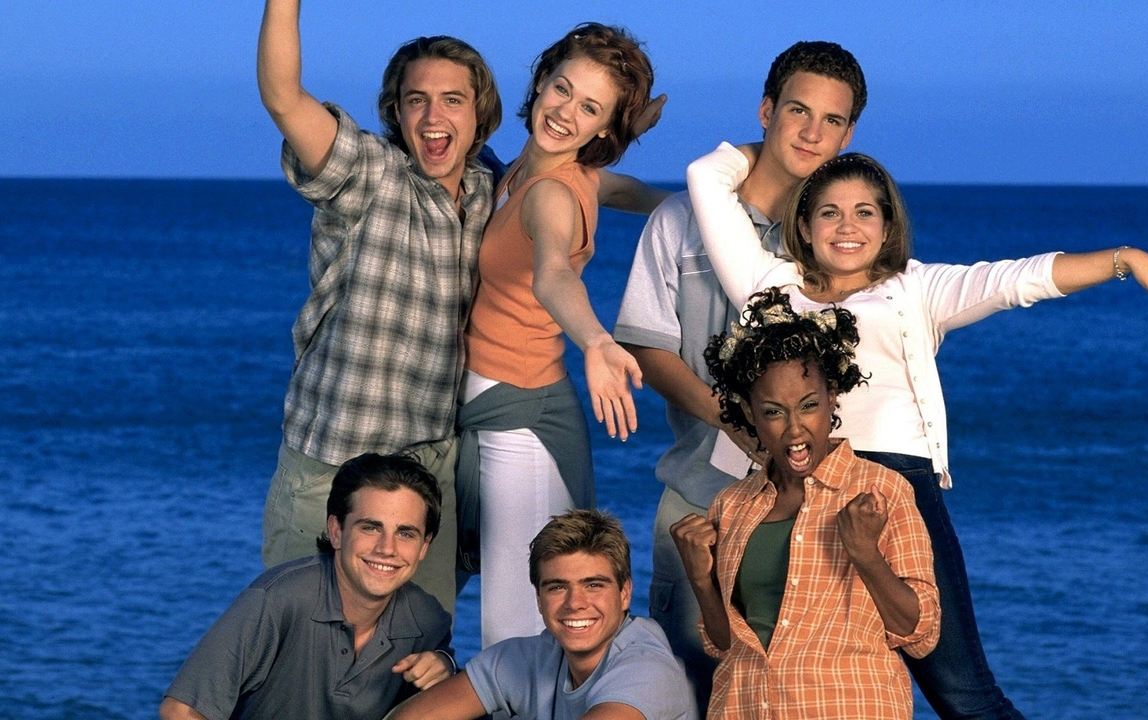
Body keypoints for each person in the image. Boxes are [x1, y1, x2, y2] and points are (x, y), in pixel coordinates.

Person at [686, 146, 1148, 718]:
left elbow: (1015, 280)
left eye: (865, 212)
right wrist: (781, 148)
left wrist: (1123, 259)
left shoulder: (915, 289)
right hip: (793, 490)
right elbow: (704, 175)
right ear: (803, 225)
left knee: (962, 693)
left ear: (887, 226)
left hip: (891, 493)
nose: (847, 227)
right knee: (784, 664)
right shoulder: (768, 285)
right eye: (829, 212)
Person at [613, 40, 864, 711]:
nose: (812, 132)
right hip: (699, 501)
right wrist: (732, 420)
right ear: (766, 111)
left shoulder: (838, 240)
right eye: (798, 110)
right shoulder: (678, 221)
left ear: (848, 135)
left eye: (833, 120)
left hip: (811, 515)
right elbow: (645, 346)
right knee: (684, 690)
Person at [255, 0, 505, 619]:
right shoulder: (369, 172)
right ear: (396, 112)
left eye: (452, 99)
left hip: (428, 474)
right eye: (416, 100)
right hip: (333, 465)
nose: (433, 115)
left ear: (479, 114)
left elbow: (568, 175)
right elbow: (283, 98)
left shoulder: (488, 191)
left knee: (419, 649)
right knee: (301, 644)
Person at [456, 23, 656, 648]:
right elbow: (624, 189)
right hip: (492, 405)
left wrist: (595, 340)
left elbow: (553, 275)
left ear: (604, 129)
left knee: (517, 630)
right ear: (541, 81)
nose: (566, 113)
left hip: (521, 422)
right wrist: (678, 205)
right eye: (563, 90)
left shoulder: (550, 195)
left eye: (590, 109)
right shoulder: (536, 170)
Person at [671, 289, 940, 719]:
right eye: (774, 412)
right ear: (750, 413)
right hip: (743, 707)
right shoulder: (732, 505)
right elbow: (724, 645)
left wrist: (866, 555)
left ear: (832, 396)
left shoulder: (881, 490)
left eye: (809, 406)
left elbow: (921, 633)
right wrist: (701, 581)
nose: (795, 429)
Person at [160, 454, 454, 720]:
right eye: (370, 527)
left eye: (405, 533)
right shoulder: (277, 600)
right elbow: (180, 711)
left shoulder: (428, 619)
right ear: (336, 531)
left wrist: (446, 665)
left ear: (424, 546)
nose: (387, 548)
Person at [386, 510, 697, 720]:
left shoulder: (646, 668)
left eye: (593, 585)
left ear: (625, 592)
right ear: (539, 598)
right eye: (558, 587)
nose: (575, 603)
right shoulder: (529, 658)